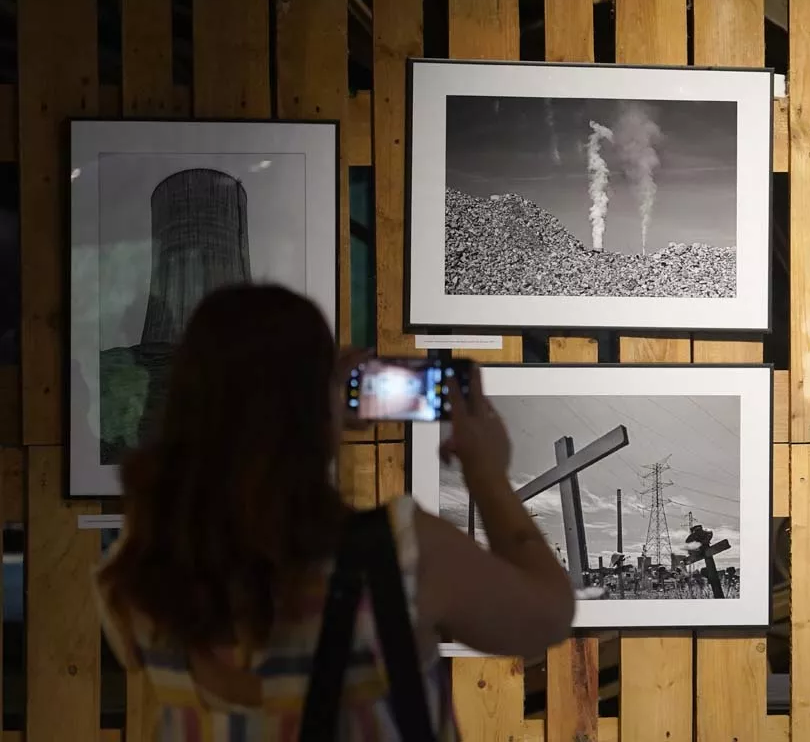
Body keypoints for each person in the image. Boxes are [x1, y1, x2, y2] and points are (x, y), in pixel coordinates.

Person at [90, 283, 575, 739]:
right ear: (314, 409)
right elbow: (549, 616)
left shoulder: (139, 572)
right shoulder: (399, 553)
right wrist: (486, 472)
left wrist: (315, 409)